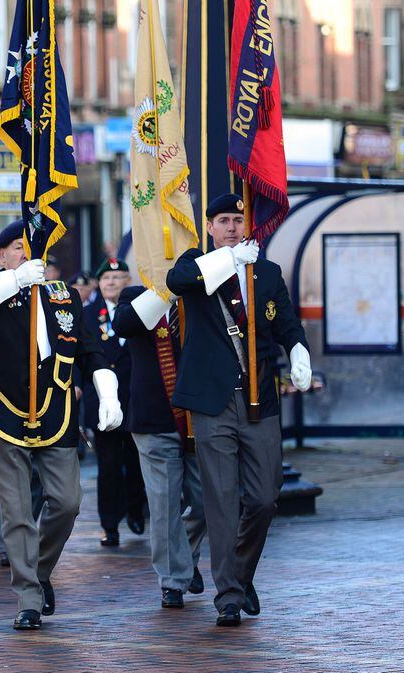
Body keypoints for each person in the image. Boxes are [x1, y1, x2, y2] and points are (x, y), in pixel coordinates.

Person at [0, 220, 117, 631]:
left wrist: (106, 388)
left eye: (33, 249)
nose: (28, 255)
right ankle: (27, 596)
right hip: (4, 412)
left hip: (55, 410)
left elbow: (88, 349)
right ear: (1, 254)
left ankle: (39, 570)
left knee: (67, 501)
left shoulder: (64, 296)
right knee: (17, 510)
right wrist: (13, 279)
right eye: (19, 249)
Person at [166, 193, 311, 627]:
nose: (232, 227)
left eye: (238, 219)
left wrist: (299, 350)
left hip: (258, 398)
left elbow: (285, 321)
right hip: (213, 401)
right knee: (222, 500)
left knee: (266, 497)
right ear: (210, 227)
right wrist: (228, 262)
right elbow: (179, 282)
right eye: (223, 221)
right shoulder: (198, 264)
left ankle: (241, 574)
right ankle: (227, 595)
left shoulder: (265, 272)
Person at [112, 284, 207, 609]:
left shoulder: (199, 295)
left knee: (208, 502)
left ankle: (184, 558)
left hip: (199, 420)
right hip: (154, 421)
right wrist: (164, 292)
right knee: (165, 505)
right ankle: (172, 579)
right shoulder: (136, 297)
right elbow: (123, 325)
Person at [82, 259, 147, 546]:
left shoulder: (138, 310)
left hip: (134, 399)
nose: (111, 282)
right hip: (101, 401)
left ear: (128, 280)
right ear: (98, 283)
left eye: (118, 277)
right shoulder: (86, 314)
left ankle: (135, 510)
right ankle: (109, 524)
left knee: (135, 461)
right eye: (106, 277)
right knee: (108, 465)